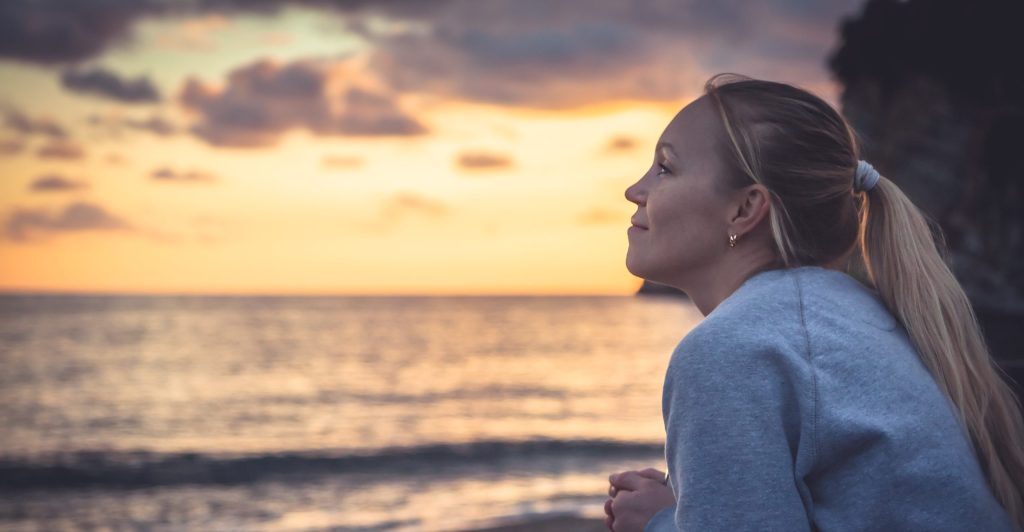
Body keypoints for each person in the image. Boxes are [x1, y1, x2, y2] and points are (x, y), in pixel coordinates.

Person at [604, 73, 1024, 532]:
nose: (634, 191)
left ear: (745, 210)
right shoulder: (855, 315)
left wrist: (659, 523)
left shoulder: (729, 350)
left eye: (665, 168)